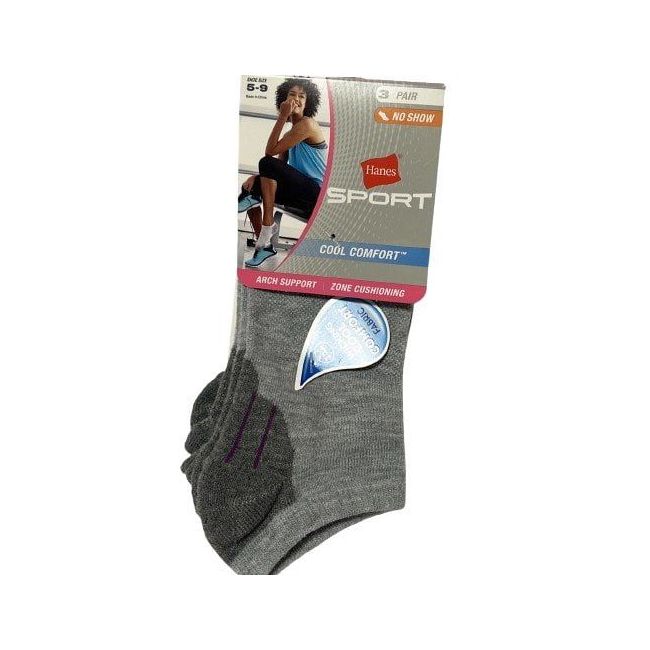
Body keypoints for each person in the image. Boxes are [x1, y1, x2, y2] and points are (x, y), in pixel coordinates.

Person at [239, 78, 327, 262]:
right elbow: (277, 169)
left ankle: (267, 226)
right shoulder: (290, 133)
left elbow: (269, 152)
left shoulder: (308, 125)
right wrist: (257, 178)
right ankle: (264, 245)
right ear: (283, 100)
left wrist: (282, 116)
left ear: (307, 103)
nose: (296, 99)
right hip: (299, 192)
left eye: (301, 96)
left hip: (316, 195)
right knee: (251, 188)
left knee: (266, 162)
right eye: (292, 95)